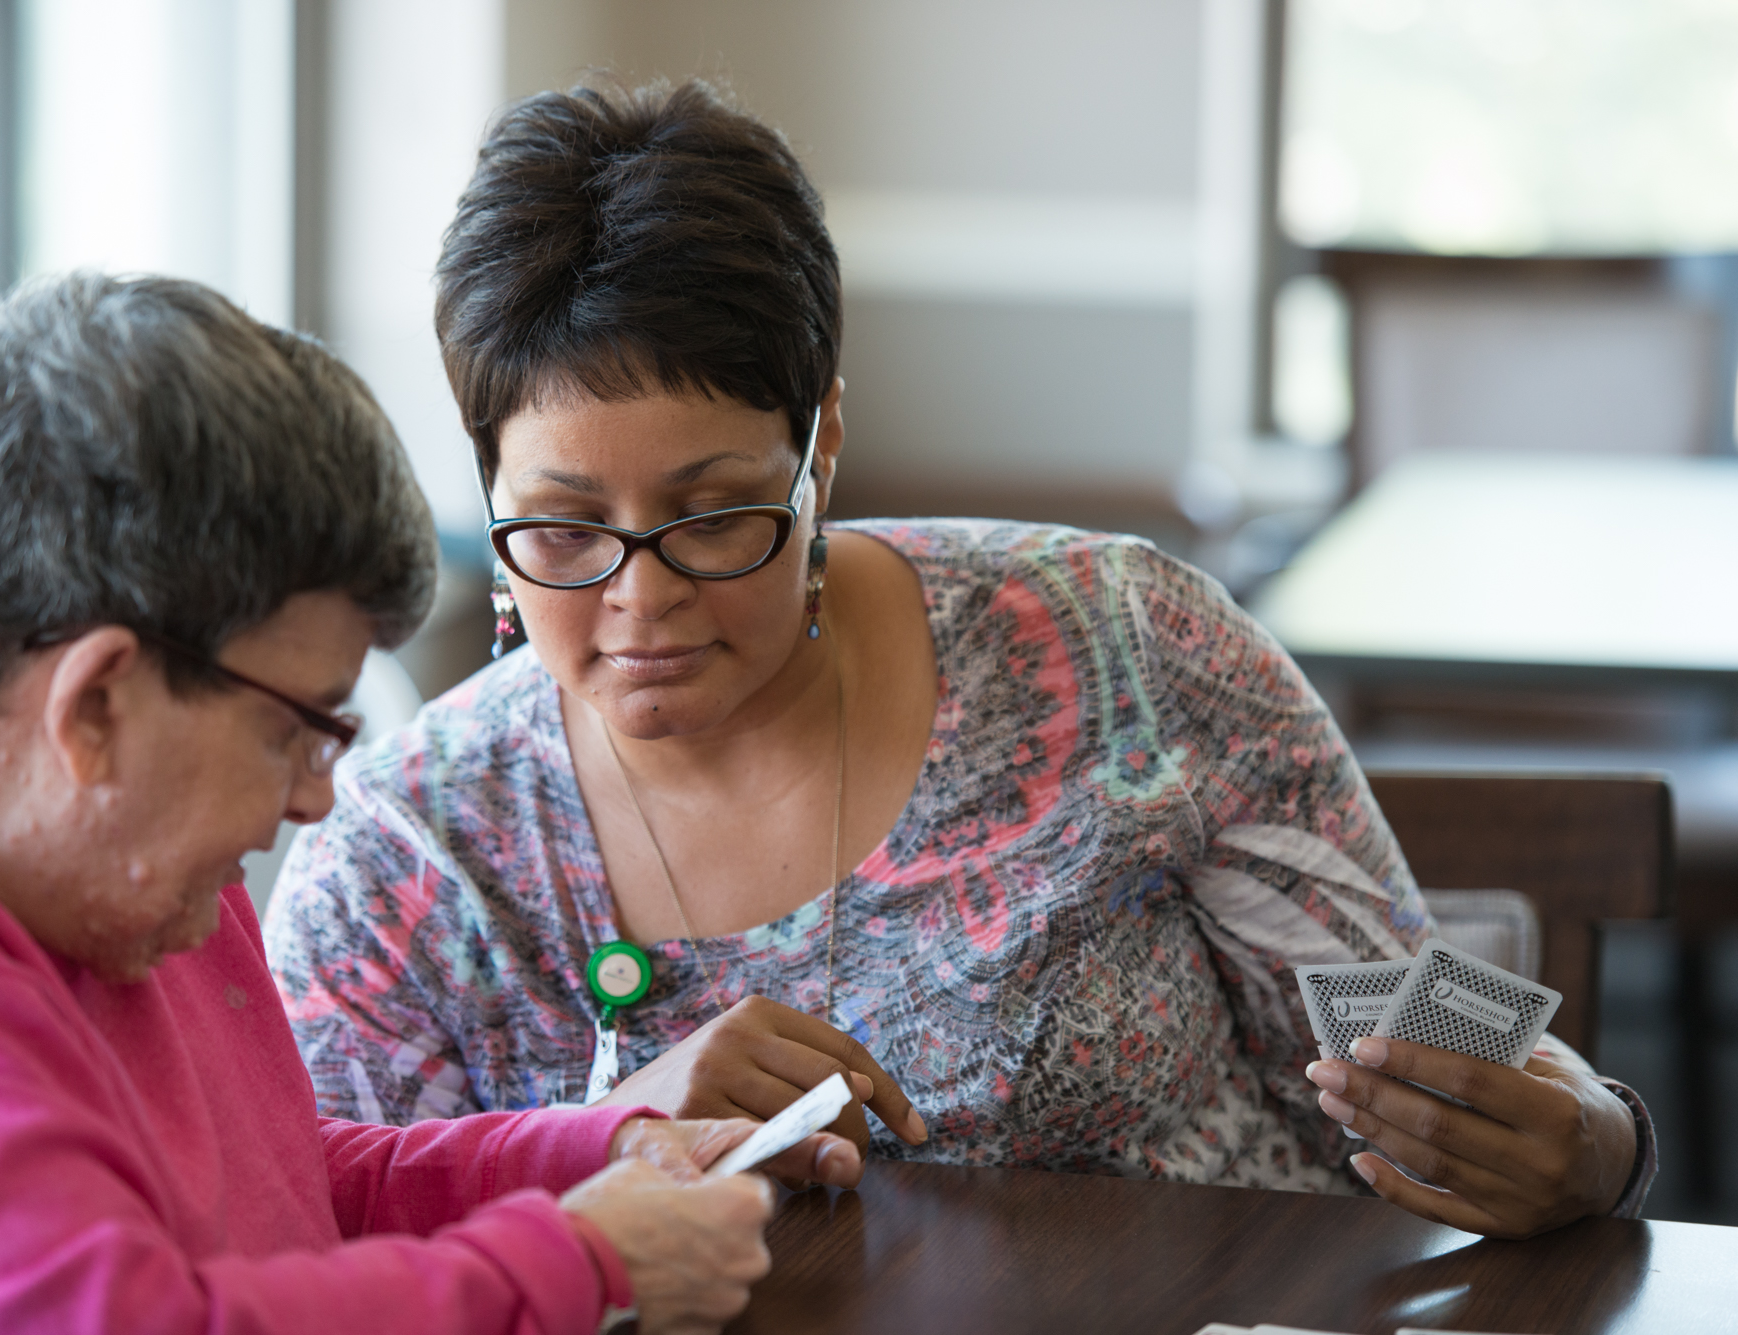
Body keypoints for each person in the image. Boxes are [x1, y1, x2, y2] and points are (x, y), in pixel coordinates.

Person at [265, 82, 1656, 1239]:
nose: (645, 599)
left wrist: (1592, 1139)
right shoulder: (404, 860)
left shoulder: (1123, 646)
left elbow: (1445, 1048)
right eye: (564, 529)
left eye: (716, 516)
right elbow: (298, 1253)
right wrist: (592, 1141)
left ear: (825, 448)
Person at [0, 273, 865, 1335]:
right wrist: (580, 1265)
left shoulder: (117, 875)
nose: (315, 800)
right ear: (94, 709)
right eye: (294, 732)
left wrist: (591, 1159)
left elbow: (274, 1198)